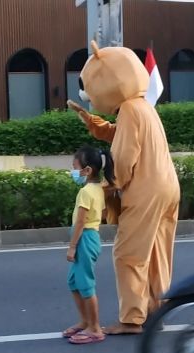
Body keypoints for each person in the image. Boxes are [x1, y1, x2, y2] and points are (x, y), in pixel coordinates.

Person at [67, 40, 180, 335]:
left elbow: (125, 156)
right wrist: (90, 120)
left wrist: (109, 185)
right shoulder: (142, 106)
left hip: (145, 191)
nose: (90, 97)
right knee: (157, 253)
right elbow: (119, 134)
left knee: (128, 254)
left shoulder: (130, 109)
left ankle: (131, 319)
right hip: (168, 187)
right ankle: (158, 308)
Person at [62, 145, 115, 345]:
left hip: (84, 238)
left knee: (85, 284)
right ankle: (85, 321)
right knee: (73, 282)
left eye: (75, 167)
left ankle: (94, 328)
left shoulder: (86, 192)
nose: (73, 171)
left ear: (87, 170)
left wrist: (72, 246)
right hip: (90, 237)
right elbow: (100, 215)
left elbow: (81, 223)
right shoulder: (98, 189)